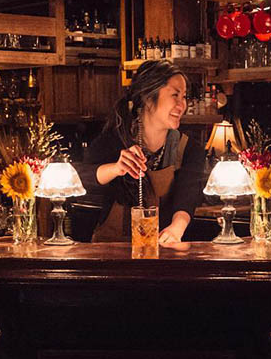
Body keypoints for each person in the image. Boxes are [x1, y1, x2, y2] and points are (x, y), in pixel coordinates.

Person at [74, 60, 205, 243]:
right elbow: (78, 178)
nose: (182, 104)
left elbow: (188, 195)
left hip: (163, 249)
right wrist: (115, 168)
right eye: (175, 95)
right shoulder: (114, 140)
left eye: (184, 97)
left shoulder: (188, 148)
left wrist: (176, 228)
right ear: (147, 96)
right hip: (111, 252)